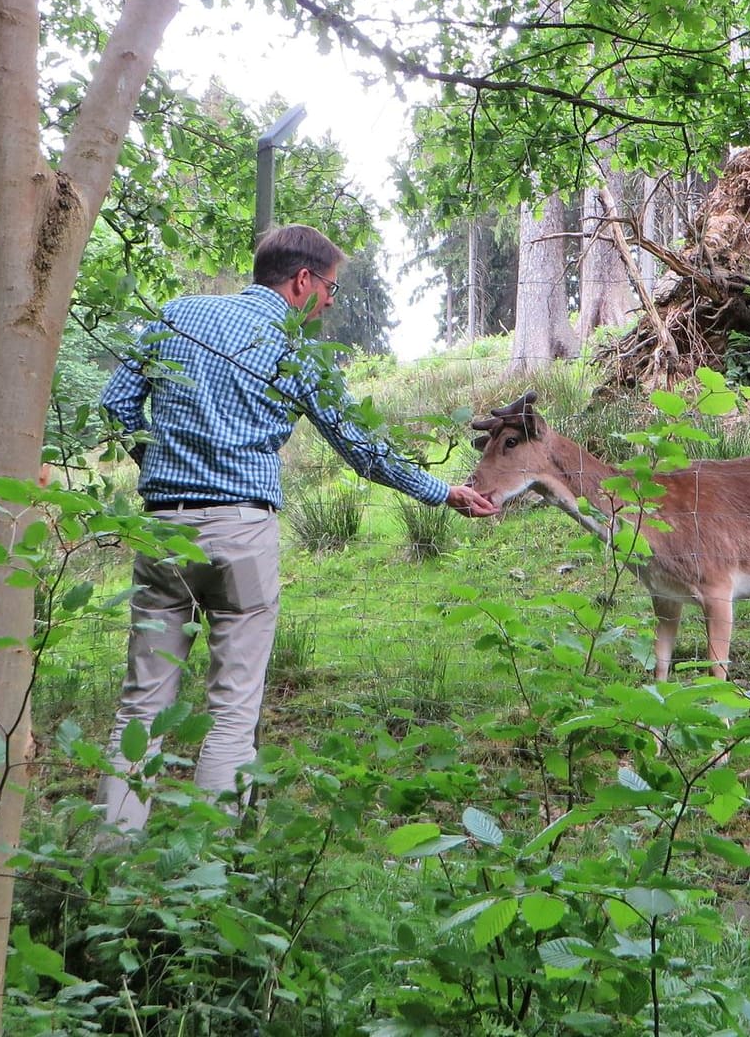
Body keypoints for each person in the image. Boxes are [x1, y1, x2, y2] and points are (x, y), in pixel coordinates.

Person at [97, 224, 498, 833]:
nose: (333, 301)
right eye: (331, 287)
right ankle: (207, 870)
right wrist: (444, 492)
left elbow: (117, 402)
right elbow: (361, 449)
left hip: (164, 530)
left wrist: (158, 464)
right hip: (243, 532)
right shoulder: (297, 350)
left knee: (142, 706)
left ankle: (109, 861)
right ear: (302, 280)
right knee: (233, 708)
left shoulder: (175, 315)